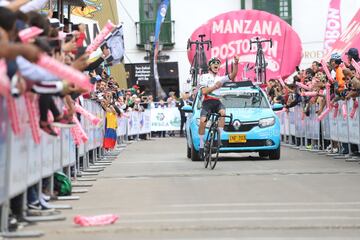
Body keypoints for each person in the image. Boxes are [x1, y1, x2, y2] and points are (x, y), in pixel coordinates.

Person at [198, 55, 239, 159]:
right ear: (209, 66)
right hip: (207, 102)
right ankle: (202, 146)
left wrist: (236, 63)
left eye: (218, 63)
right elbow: (204, 91)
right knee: (203, 121)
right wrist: (215, 86)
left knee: (223, 114)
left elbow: (233, 74)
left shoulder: (221, 78)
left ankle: (218, 138)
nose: (216, 64)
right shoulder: (204, 76)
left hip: (217, 102)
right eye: (214, 63)